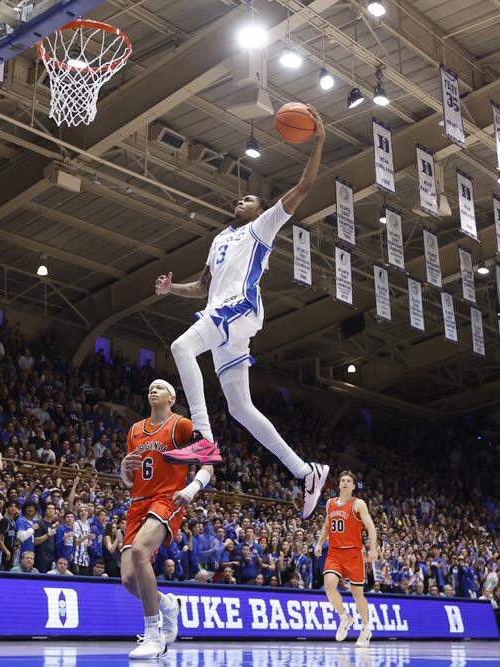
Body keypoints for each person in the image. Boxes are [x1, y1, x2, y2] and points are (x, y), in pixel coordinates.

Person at [153, 107, 330, 519]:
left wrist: (319, 142)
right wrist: (170, 289)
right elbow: (202, 287)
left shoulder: (262, 228)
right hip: (222, 314)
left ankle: (201, 435)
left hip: (241, 309)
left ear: (260, 209)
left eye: (249, 199)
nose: (241, 199)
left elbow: (304, 186)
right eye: (242, 197)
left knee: (181, 347)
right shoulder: (219, 239)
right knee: (240, 407)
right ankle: (305, 471)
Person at [120, 380, 215, 659]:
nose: (153, 389)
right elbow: (130, 479)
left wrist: (191, 488)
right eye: (150, 387)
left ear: (172, 398)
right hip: (137, 502)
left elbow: (208, 460)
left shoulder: (181, 425)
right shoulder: (135, 430)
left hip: (167, 498)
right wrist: (123, 470)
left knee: (140, 551)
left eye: (160, 387)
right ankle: (167, 604)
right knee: (127, 579)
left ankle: (153, 636)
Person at [313, 470, 378, 647]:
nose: (345, 482)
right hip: (334, 553)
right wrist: (319, 543)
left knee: (358, 594)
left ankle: (365, 628)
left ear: (353, 486)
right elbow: (327, 526)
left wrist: (373, 549)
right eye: (342, 480)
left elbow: (371, 528)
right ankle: (344, 617)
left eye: (348, 481)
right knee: (329, 585)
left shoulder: (359, 504)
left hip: (353, 554)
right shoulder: (330, 503)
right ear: (339, 484)